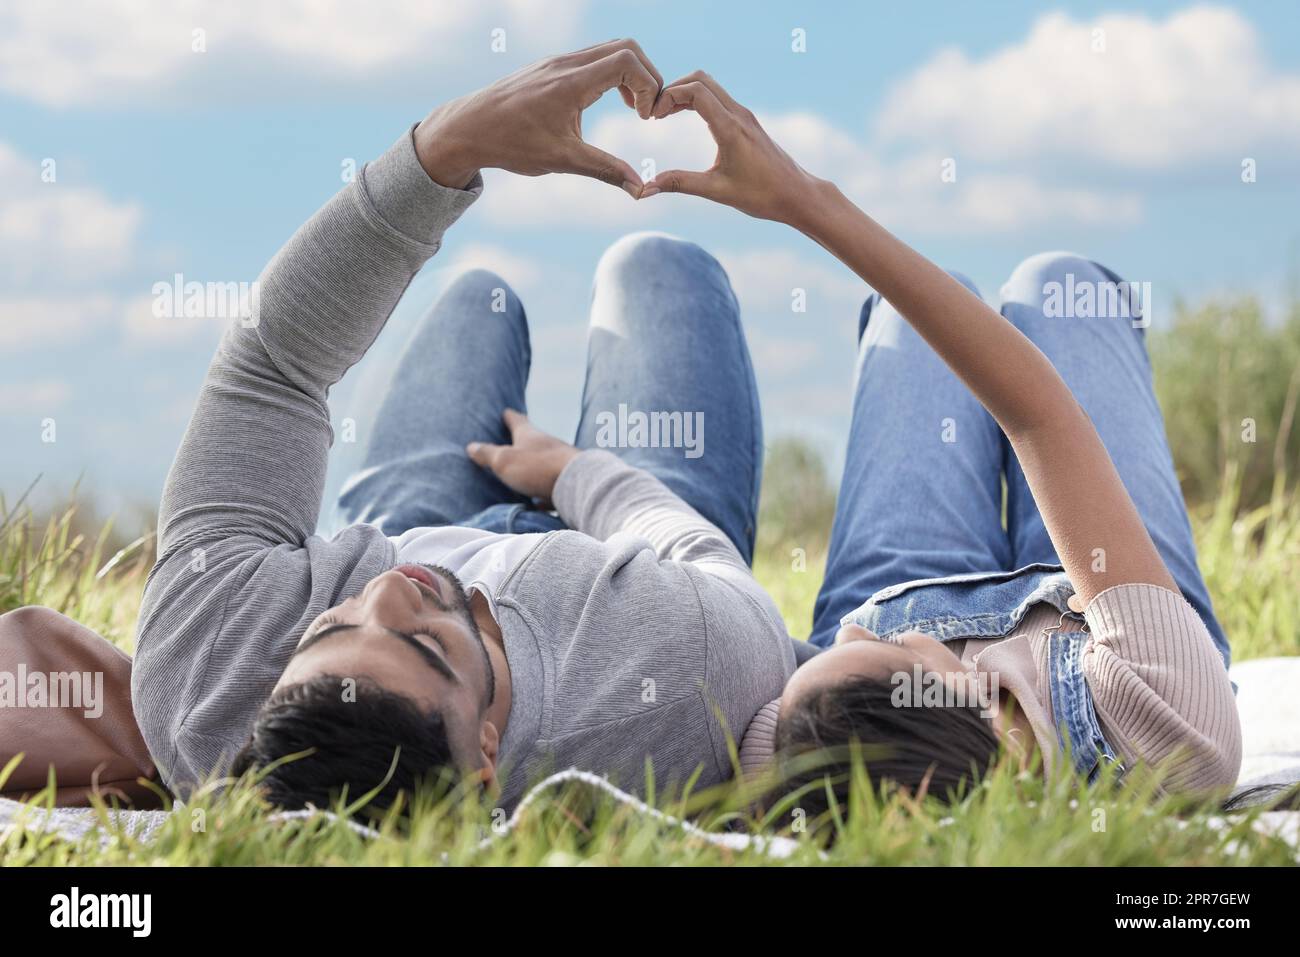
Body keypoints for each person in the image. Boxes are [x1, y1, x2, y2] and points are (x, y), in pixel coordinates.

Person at [129, 42, 795, 814]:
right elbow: (709, 564)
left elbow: (272, 365)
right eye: (422, 643)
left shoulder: (201, 684)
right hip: (633, 557)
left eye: (332, 628)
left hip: (408, 522)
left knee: (475, 298)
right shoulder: (675, 675)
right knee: (654, 266)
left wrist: (446, 147)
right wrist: (575, 473)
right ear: (484, 751)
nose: (383, 595)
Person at [635, 72, 1241, 815]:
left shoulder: (817, 749)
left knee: (910, 323)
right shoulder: (1171, 731)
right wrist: (803, 200)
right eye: (897, 649)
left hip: (896, 606)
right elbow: (1039, 418)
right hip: (1121, 635)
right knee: (1060, 286)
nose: (859, 630)